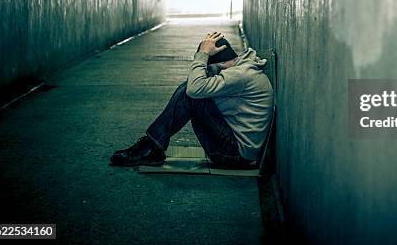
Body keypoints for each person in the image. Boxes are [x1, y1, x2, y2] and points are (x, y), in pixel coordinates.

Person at [110, 31, 274, 169]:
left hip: (235, 155)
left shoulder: (239, 76)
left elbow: (194, 89)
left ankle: (150, 147)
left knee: (191, 94)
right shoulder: (242, 69)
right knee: (190, 90)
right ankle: (151, 145)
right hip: (238, 148)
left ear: (223, 63)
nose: (210, 73)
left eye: (210, 69)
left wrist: (202, 55)